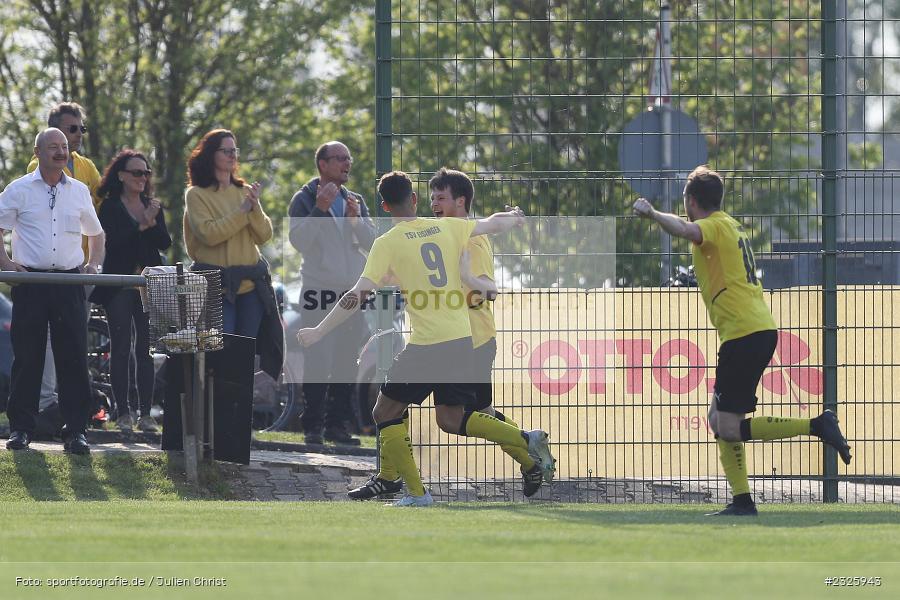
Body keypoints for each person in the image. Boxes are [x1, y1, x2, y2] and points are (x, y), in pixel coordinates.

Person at [298, 171, 555, 507]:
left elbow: (356, 295)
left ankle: (417, 493)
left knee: (384, 410)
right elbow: (492, 224)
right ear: (415, 199)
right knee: (450, 419)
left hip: (429, 343)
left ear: (385, 207)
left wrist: (319, 330)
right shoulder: (448, 227)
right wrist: (515, 218)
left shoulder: (387, 243)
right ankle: (526, 438)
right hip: (461, 339)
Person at [633, 165, 852, 516]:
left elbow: (686, 230)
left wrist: (653, 214)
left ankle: (816, 425)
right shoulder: (730, 225)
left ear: (691, 201)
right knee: (718, 418)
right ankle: (742, 501)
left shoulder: (713, 226)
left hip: (744, 333)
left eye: (685, 199)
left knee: (728, 425)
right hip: (753, 330)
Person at [0, 128, 105, 454]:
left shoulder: (79, 190)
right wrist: (6, 263)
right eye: (53, 147)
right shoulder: (18, 189)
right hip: (31, 282)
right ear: (38, 152)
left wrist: (93, 265)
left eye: (64, 147)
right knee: (27, 357)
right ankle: (21, 430)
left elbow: (97, 234)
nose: (61, 152)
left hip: (69, 283)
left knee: (73, 357)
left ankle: (76, 432)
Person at [288, 141, 376, 445]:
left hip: (351, 295)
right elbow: (299, 241)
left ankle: (337, 427)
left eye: (348, 158)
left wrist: (357, 221)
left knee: (346, 361)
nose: (347, 163)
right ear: (322, 164)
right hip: (318, 293)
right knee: (318, 360)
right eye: (340, 158)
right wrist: (319, 209)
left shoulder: (355, 200)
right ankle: (312, 427)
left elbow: (373, 242)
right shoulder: (303, 199)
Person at [183, 129, 283, 382]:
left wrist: (254, 208)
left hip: (251, 287)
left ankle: (240, 406)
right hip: (216, 287)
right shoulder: (196, 194)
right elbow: (209, 234)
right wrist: (242, 212)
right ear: (211, 155)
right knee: (220, 351)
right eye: (225, 150)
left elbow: (264, 235)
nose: (232, 155)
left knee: (245, 354)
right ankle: (217, 404)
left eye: (234, 150)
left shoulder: (244, 192)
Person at [27, 102, 103, 419]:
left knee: (74, 339)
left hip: (79, 270)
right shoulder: (38, 166)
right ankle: (46, 402)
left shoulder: (87, 167)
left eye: (81, 129)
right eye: (72, 129)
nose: (78, 135)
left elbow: (99, 208)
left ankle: (73, 409)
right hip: (46, 272)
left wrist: (94, 263)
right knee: (46, 339)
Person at [89, 150, 171, 433]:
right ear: (121, 175)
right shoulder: (110, 207)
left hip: (147, 285)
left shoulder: (153, 206)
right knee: (121, 347)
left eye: (146, 172)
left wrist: (151, 223)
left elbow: (164, 242)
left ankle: (145, 414)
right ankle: (123, 412)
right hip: (119, 285)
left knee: (145, 349)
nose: (142, 177)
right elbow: (113, 243)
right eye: (137, 172)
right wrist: (142, 224)